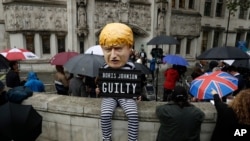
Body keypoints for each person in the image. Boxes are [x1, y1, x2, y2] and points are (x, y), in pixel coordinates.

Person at [96, 22, 140, 141]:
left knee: (133, 115)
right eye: (108, 49)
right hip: (109, 96)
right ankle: (106, 138)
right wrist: (99, 89)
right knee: (105, 114)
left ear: (130, 49)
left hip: (127, 97)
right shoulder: (104, 68)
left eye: (118, 49)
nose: (113, 55)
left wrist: (137, 93)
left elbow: (136, 83)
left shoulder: (131, 67)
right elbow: (101, 82)